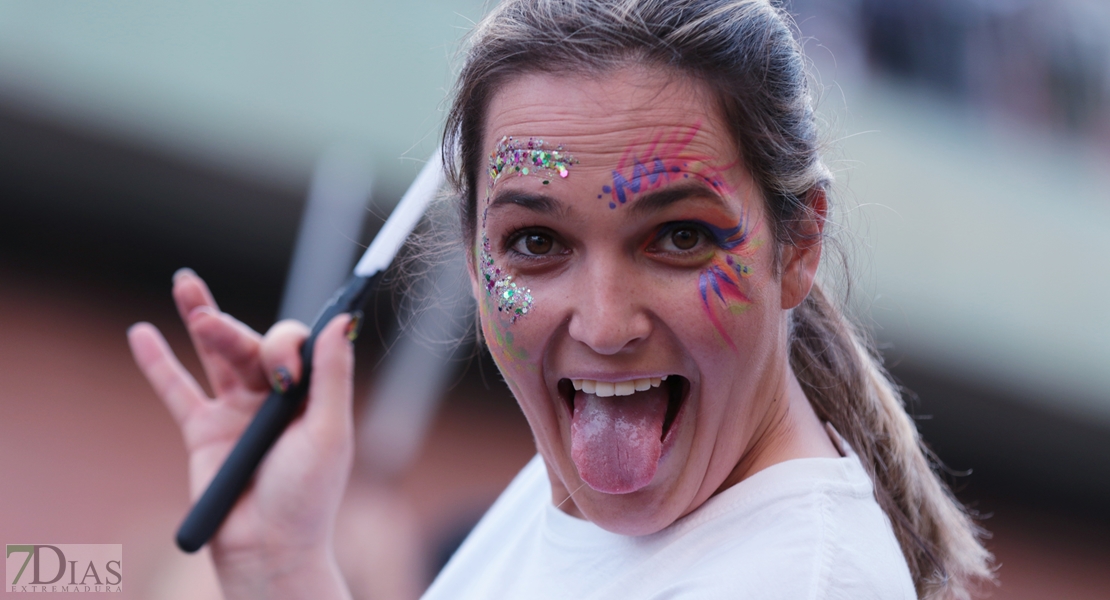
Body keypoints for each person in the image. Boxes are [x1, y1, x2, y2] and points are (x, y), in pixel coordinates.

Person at [128, 0, 994, 598]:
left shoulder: (792, 583)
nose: (606, 325)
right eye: (538, 243)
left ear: (798, 243)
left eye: (679, 236)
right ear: (474, 261)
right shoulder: (584, 483)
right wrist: (281, 560)